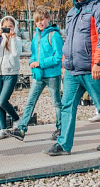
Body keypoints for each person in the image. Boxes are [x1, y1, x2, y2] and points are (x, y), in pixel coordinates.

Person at [47, 0, 100, 156]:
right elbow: (68, 40)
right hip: (72, 69)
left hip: (91, 68)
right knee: (67, 106)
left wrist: (98, 62)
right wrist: (64, 63)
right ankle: (64, 144)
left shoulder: (98, 9)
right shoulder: (71, 13)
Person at [8, 7, 63, 141]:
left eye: (43, 19)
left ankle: (61, 128)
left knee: (56, 103)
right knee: (30, 102)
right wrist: (33, 64)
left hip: (52, 75)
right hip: (38, 75)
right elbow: (33, 54)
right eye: (38, 20)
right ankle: (21, 129)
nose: (40, 23)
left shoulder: (53, 35)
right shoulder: (36, 35)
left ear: (48, 19)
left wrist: (40, 63)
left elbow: (58, 57)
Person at [0, 16, 23, 140]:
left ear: (14, 27)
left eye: (10, 27)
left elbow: (16, 54)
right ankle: (3, 129)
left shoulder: (17, 40)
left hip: (10, 74)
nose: (7, 29)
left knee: (3, 101)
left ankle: (17, 119)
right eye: (5, 27)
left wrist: (11, 38)